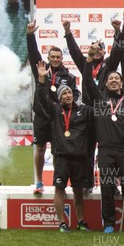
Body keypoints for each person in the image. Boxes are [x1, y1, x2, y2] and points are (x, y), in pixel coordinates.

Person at [63, 14, 123, 195]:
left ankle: (112, 185)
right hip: (89, 111)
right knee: (88, 149)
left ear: (104, 52)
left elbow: (117, 52)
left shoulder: (109, 65)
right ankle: (88, 182)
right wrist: (68, 33)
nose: (97, 52)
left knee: (109, 150)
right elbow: (74, 53)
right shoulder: (86, 64)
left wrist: (117, 32)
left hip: (106, 111)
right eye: (94, 49)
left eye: (100, 49)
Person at [84, 43, 124, 233]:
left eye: (117, 78)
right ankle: (108, 223)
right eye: (111, 79)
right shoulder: (99, 100)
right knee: (107, 187)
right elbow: (87, 80)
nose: (114, 81)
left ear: (121, 83)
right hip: (106, 150)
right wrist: (89, 60)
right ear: (106, 83)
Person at [36, 61, 94, 233]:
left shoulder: (84, 110)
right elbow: (42, 99)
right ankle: (61, 223)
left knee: (78, 191)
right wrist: (41, 81)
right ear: (60, 98)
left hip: (79, 157)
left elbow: (100, 110)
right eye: (64, 93)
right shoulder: (54, 110)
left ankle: (81, 222)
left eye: (69, 92)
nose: (68, 95)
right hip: (61, 157)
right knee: (59, 189)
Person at [27, 19, 79, 195]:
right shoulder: (41, 70)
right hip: (41, 116)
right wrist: (30, 35)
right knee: (40, 149)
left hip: (59, 117)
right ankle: (39, 182)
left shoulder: (69, 77)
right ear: (48, 59)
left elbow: (75, 95)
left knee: (58, 152)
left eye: (58, 57)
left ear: (62, 59)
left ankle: (59, 182)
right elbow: (33, 54)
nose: (55, 59)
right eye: (52, 57)